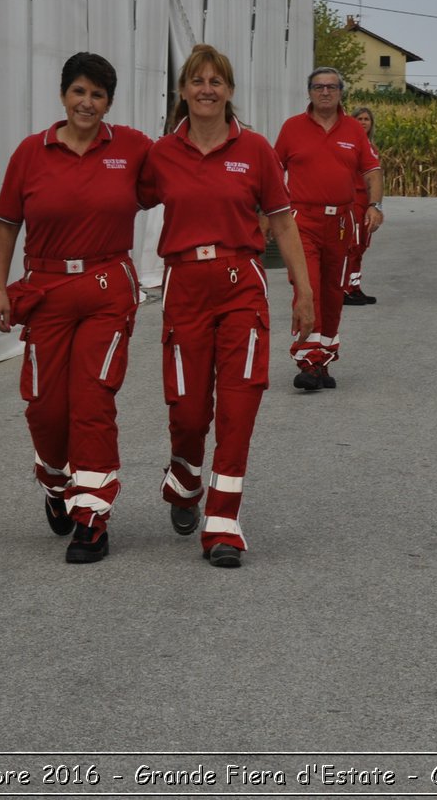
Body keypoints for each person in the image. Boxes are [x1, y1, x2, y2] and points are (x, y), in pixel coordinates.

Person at [139, 44, 313, 568]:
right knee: (190, 411)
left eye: (217, 81)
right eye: (197, 81)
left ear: (230, 91)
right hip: (185, 285)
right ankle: (185, 474)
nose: (207, 89)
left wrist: (304, 292)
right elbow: (114, 198)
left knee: (238, 405)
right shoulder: (160, 154)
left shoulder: (256, 149)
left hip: (242, 283)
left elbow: (282, 222)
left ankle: (223, 521)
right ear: (184, 91)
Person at [0, 52, 152, 565]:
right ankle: (58, 483)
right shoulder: (30, 154)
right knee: (45, 406)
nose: (88, 102)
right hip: (47, 289)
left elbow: (189, 171)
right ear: (63, 96)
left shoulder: (132, 148)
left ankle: (92, 516)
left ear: (109, 102)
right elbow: (6, 224)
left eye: (98, 95)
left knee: (92, 399)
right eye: (79, 92)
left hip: (107, 288)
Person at [273, 68, 383, 390]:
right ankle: (307, 361)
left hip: (341, 224)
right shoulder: (292, 128)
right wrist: (270, 214)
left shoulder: (353, 130)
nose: (325, 92)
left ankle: (324, 358)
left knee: (333, 293)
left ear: (340, 92)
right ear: (308, 92)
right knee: (307, 289)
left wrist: (375, 206)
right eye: (318, 87)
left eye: (331, 87)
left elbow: (372, 171)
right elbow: (273, 169)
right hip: (301, 222)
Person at [343, 106, 379, 306]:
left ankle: (355, 287)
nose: (363, 122)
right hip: (353, 201)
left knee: (362, 246)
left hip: (367, 203)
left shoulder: (372, 149)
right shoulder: (348, 145)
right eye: (359, 118)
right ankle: (344, 289)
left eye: (367, 119)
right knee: (352, 246)